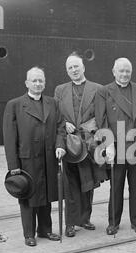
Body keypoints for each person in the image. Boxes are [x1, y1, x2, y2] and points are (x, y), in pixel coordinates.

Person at [3, 67, 66, 247]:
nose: (38, 84)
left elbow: (61, 127)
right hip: (26, 160)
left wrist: (60, 146)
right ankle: (29, 233)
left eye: (41, 81)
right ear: (27, 83)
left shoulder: (52, 103)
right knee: (28, 195)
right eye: (34, 81)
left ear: (45, 83)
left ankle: (45, 230)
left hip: (48, 158)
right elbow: (9, 138)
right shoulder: (14, 105)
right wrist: (13, 165)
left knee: (45, 194)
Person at [54, 52, 107, 237]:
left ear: (83, 67)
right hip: (70, 143)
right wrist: (64, 123)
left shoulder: (98, 89)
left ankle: (85, 219)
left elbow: (101, 115)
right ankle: (70, 223)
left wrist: (91, 126)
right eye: (70, 67)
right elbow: (57, 115)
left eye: (76, 66)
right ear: (67, 71)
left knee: (88, 182)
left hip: (89, 142)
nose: (74, 70)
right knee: (70, 184)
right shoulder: (60, 90)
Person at [95, 58, 136, 235]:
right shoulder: (104, 91)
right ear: (114, 71)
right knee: (116, 186)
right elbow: (101, 119)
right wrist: (108, 144)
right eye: (121, 71)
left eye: (127, 71)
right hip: (116, 147)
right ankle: (113, 222)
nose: (125, 74)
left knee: (135, 186)